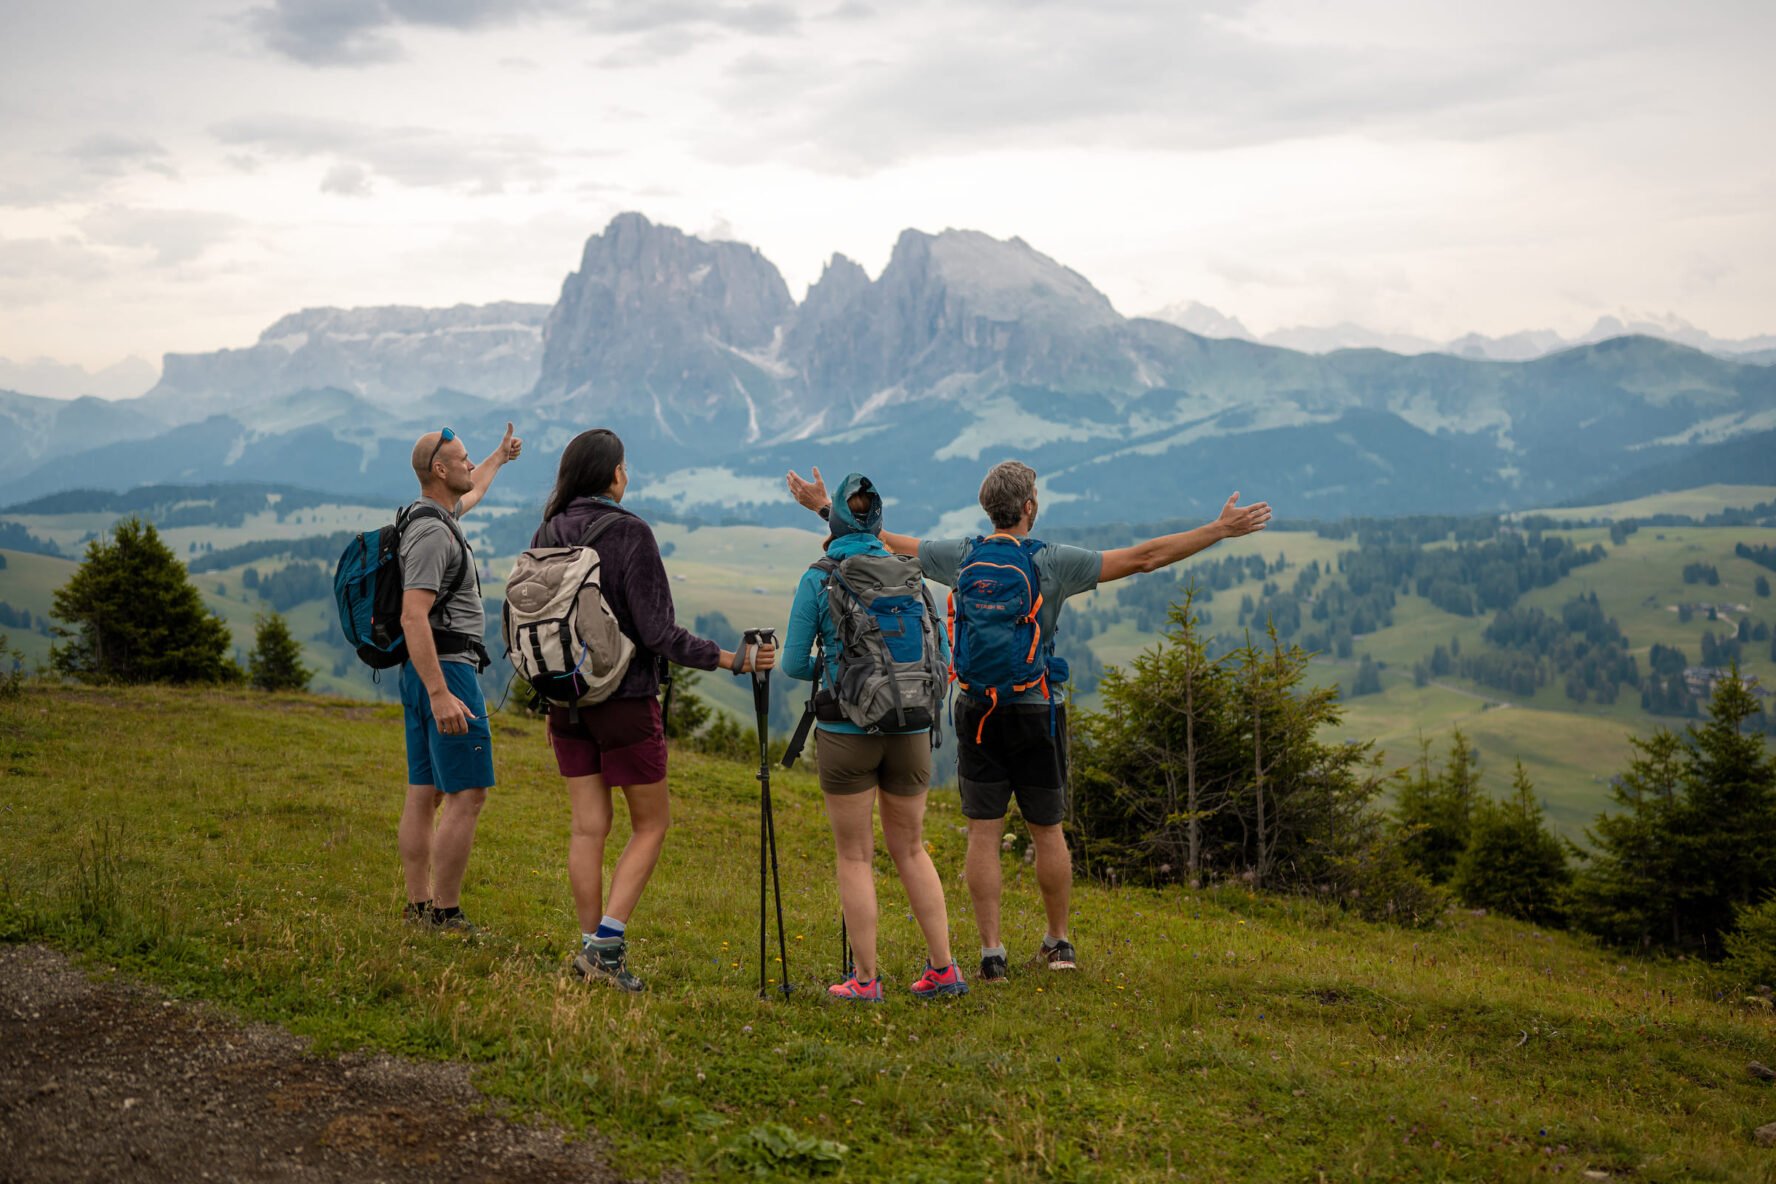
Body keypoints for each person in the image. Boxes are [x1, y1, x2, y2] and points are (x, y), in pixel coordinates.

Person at [787, 460, 1270, 981]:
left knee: (983, 833)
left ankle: (991, 952)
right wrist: (1220, 529)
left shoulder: (961, 555)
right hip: (1038, 706)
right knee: (1047, 829)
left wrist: (824, 508)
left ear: (987, 506)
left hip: (975, 709)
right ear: (1030, 507)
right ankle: (1059, 943)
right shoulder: (1054, 562)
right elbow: (1145, 558)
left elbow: (879, 539)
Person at [535, 428, 776, 992]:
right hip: (623, 699)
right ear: (613, 474)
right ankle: (606, 948)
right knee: (652, 824)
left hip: (565, 699)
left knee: (587, 827)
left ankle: (590, 946)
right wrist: (728, 660)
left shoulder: (549, 527)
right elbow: (658, 632)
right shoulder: (629, 532)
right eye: (624, 466)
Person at [782, 473, 966, 1002]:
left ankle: (865, 981)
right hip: (912, 728)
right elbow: (942, 661)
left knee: (856, 856)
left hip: (846, 731)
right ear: (880, 522)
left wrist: (842, 667)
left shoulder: (820, 577)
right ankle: (944, 969)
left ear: (835, 519)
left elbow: (795, 664)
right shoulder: (914, 578)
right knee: (910, 849)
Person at [399, 423, 523, 934]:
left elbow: (477, 488)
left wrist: (498, 457)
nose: (471, 466)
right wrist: (441, 694)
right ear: (439, 470)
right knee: (468, 794)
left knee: (424, 791)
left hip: (422, 669)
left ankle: (418, 905)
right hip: (445, 671)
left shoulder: (431, 516)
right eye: (463, 459)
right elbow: (413, 616)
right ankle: (445, 913)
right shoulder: (432, 533)